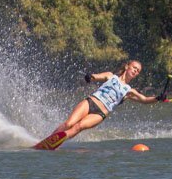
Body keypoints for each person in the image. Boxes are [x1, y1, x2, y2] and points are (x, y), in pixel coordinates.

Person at [34, 60, 165, 149]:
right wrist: (90, 77)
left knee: (78, 126)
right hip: (90, 102)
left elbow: (145, 100)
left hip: (101, 113)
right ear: (127, 67)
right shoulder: (110, 76)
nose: (135, 71)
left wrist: (158, 98)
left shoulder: (129, 91)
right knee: (69, 123)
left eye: (138, 71)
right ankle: (47, 140)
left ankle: (56, 143)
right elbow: (95, 76)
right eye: (134, 68)